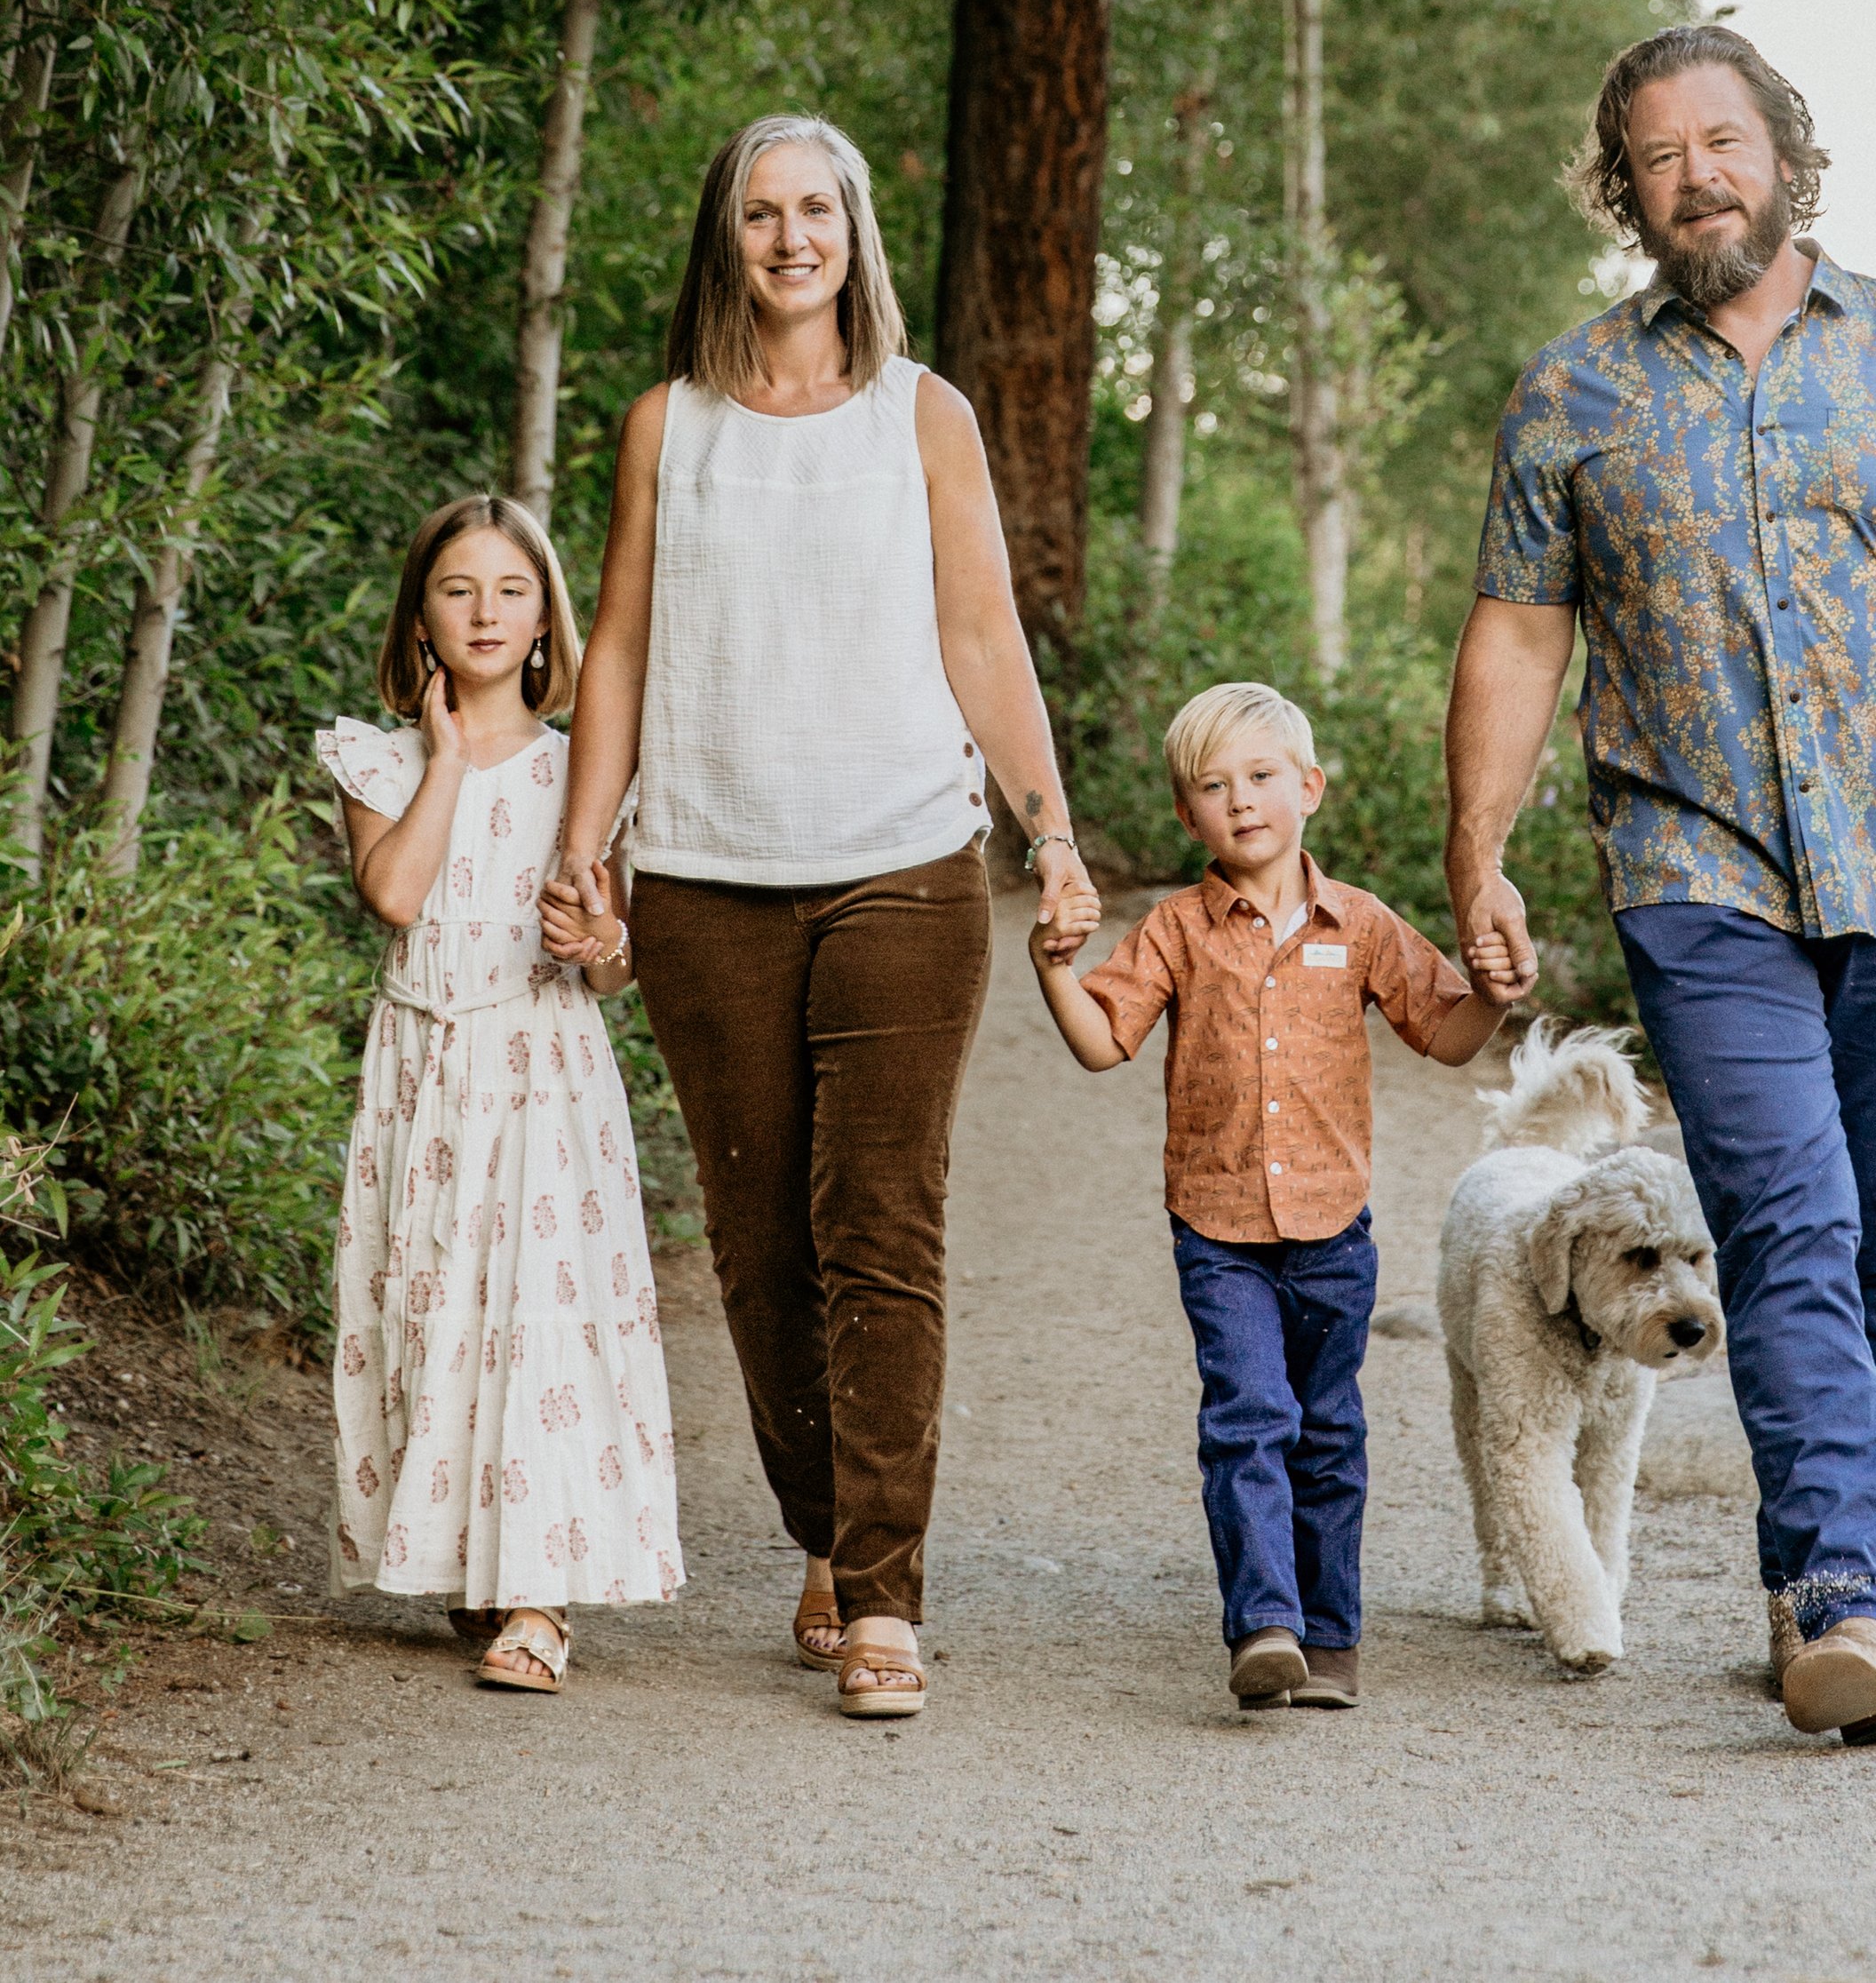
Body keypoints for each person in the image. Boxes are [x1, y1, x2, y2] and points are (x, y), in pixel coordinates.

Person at [1445, 25, 1876, 1746]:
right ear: (1624, 191)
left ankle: (1806, 1578)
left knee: (1868, 1251)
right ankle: (1856, 1600)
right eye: (1656, 156)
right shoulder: (1573, 394)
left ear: (1783, 155)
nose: (1694, 177)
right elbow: (1517, 635)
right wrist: (1476, 848)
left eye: (1720, 142)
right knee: (1787, 1223)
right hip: (1689, 868)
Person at [539, 113, 1095, 1721]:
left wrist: (1052, 831)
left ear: (856, 233)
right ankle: (827, 1532)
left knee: (881, 1226)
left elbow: (982, 633)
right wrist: (585, 846)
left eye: (818, 210)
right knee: (759, 1242)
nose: (793, 237)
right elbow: (622, 641)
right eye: (763, 212)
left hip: (903, 866)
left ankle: (883, 1593)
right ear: (727, 238)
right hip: (705, 875)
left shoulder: (924, 414)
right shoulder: (670, 426)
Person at [1029, 681, 1502, 1711]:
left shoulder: (1361, 925)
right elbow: (1103, 1043)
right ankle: (1265, 1627)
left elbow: (1447, 1035)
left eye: (1260, 776)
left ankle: (1330, 1639)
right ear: (1184, 813)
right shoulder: (1174, 931)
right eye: (1213, 786)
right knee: (1248, 1419)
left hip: (1334, 1232)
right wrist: (1055, 968)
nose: (1240, 799)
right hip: (1219, 1232)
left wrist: (1499, 995)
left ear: (1309, 788)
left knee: (1327, 1431)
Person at [316, 494, 680, 1696]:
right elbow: (397, 895)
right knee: (432, 1311)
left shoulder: (588, 766)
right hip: (422, 1069)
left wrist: (597, 938)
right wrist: (449, 762)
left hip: (539, 1067)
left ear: (544, 621)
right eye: (457, 589)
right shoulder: (378, 758)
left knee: (539, 1317)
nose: (484, 613)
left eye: (511, 591)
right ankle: (468, 1555)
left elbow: (617, 968)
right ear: (419, 617)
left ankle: (540, 1598)